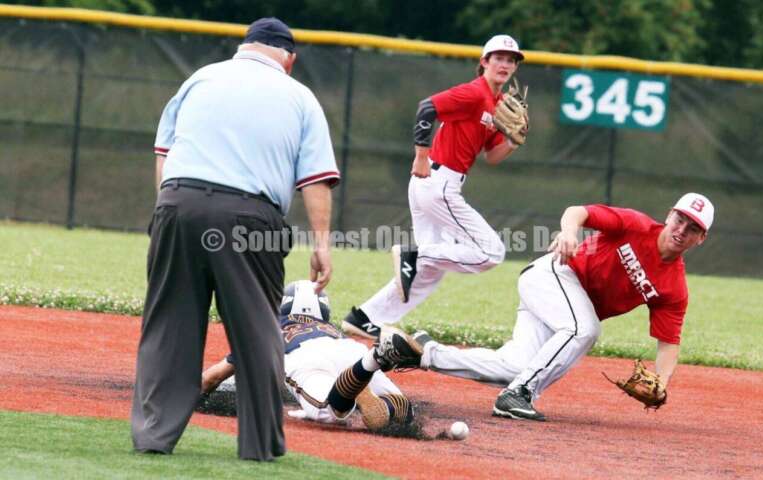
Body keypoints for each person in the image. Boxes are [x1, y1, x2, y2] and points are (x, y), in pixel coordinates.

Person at [131, 17, 339, 461]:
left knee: (168, 324)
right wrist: (322, 243)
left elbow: (164, 155)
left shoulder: (200, 78)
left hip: (177, 203)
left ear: (243, 47)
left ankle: (153, 435)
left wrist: (166, 213)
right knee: (257, 327)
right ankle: (260, 445)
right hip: (248, 216)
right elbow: (316, 180)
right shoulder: (299, 95)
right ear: (290, 58)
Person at [409, 193, 714, 421]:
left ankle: (423, 352)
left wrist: (662, 381)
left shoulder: (674, 287)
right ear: (669, 214)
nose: (682, 229)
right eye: (680, 219)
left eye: (692, 227)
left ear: (701, 238)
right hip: (555, 275)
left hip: (562, 308)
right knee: (585, 329)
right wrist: (569, 232)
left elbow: (668, 342)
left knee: (514, 369)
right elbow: (577, 212)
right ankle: (520, 395)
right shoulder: (635, 225)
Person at [343, 34, 527, 340]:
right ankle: (413, 255)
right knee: (491, 252)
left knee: (428, 273)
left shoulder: (496, 105)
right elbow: (427, 107)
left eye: (511, 60)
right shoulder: (473, 93)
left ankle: (364, 318)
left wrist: (512, 140)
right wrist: (421, 156)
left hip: (434, 184)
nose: (505, 64)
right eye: (499, 58)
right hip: (438, 182)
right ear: (484, 62)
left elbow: (493, 156)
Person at [200, 280, 422, 431]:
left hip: (304, 358)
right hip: (350, 350)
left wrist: (190, 398)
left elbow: (213, 378)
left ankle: (365, 371)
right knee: (406, 415)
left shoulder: (266, 327)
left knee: (330, 411)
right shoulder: (330, 328)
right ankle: (375, 358)